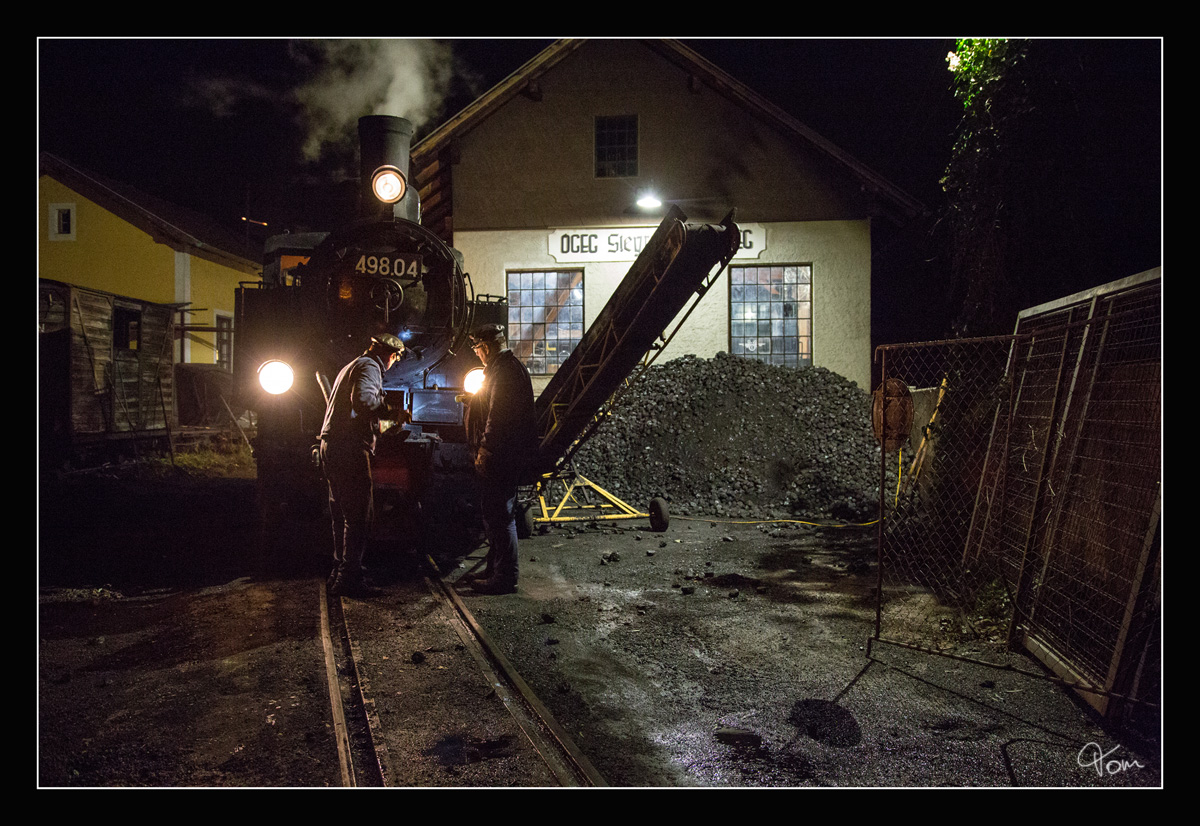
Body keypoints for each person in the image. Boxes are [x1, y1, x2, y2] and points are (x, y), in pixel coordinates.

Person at [319, 333, 411, 597]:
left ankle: (339, 572)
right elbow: (363, 401)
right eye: (395, 359)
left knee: (341, 514)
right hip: (349, 450)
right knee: (359, 516)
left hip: (332, 446)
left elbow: (356, 413)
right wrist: (392, 411)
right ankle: (350, 578)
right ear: (391, 355)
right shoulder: (371, 366)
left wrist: (385, 426)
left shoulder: (352, 365)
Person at [464, 324, 537, 594]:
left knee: (501, 515)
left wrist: (485, 449)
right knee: (493, 513)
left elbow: (498, 417)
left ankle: (505, 577)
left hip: (502, 456)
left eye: (477, 348)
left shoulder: (505, 372)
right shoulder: (503, 369)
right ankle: (494, 569)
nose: (477, 354)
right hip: (503, 454)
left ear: (485, 346)